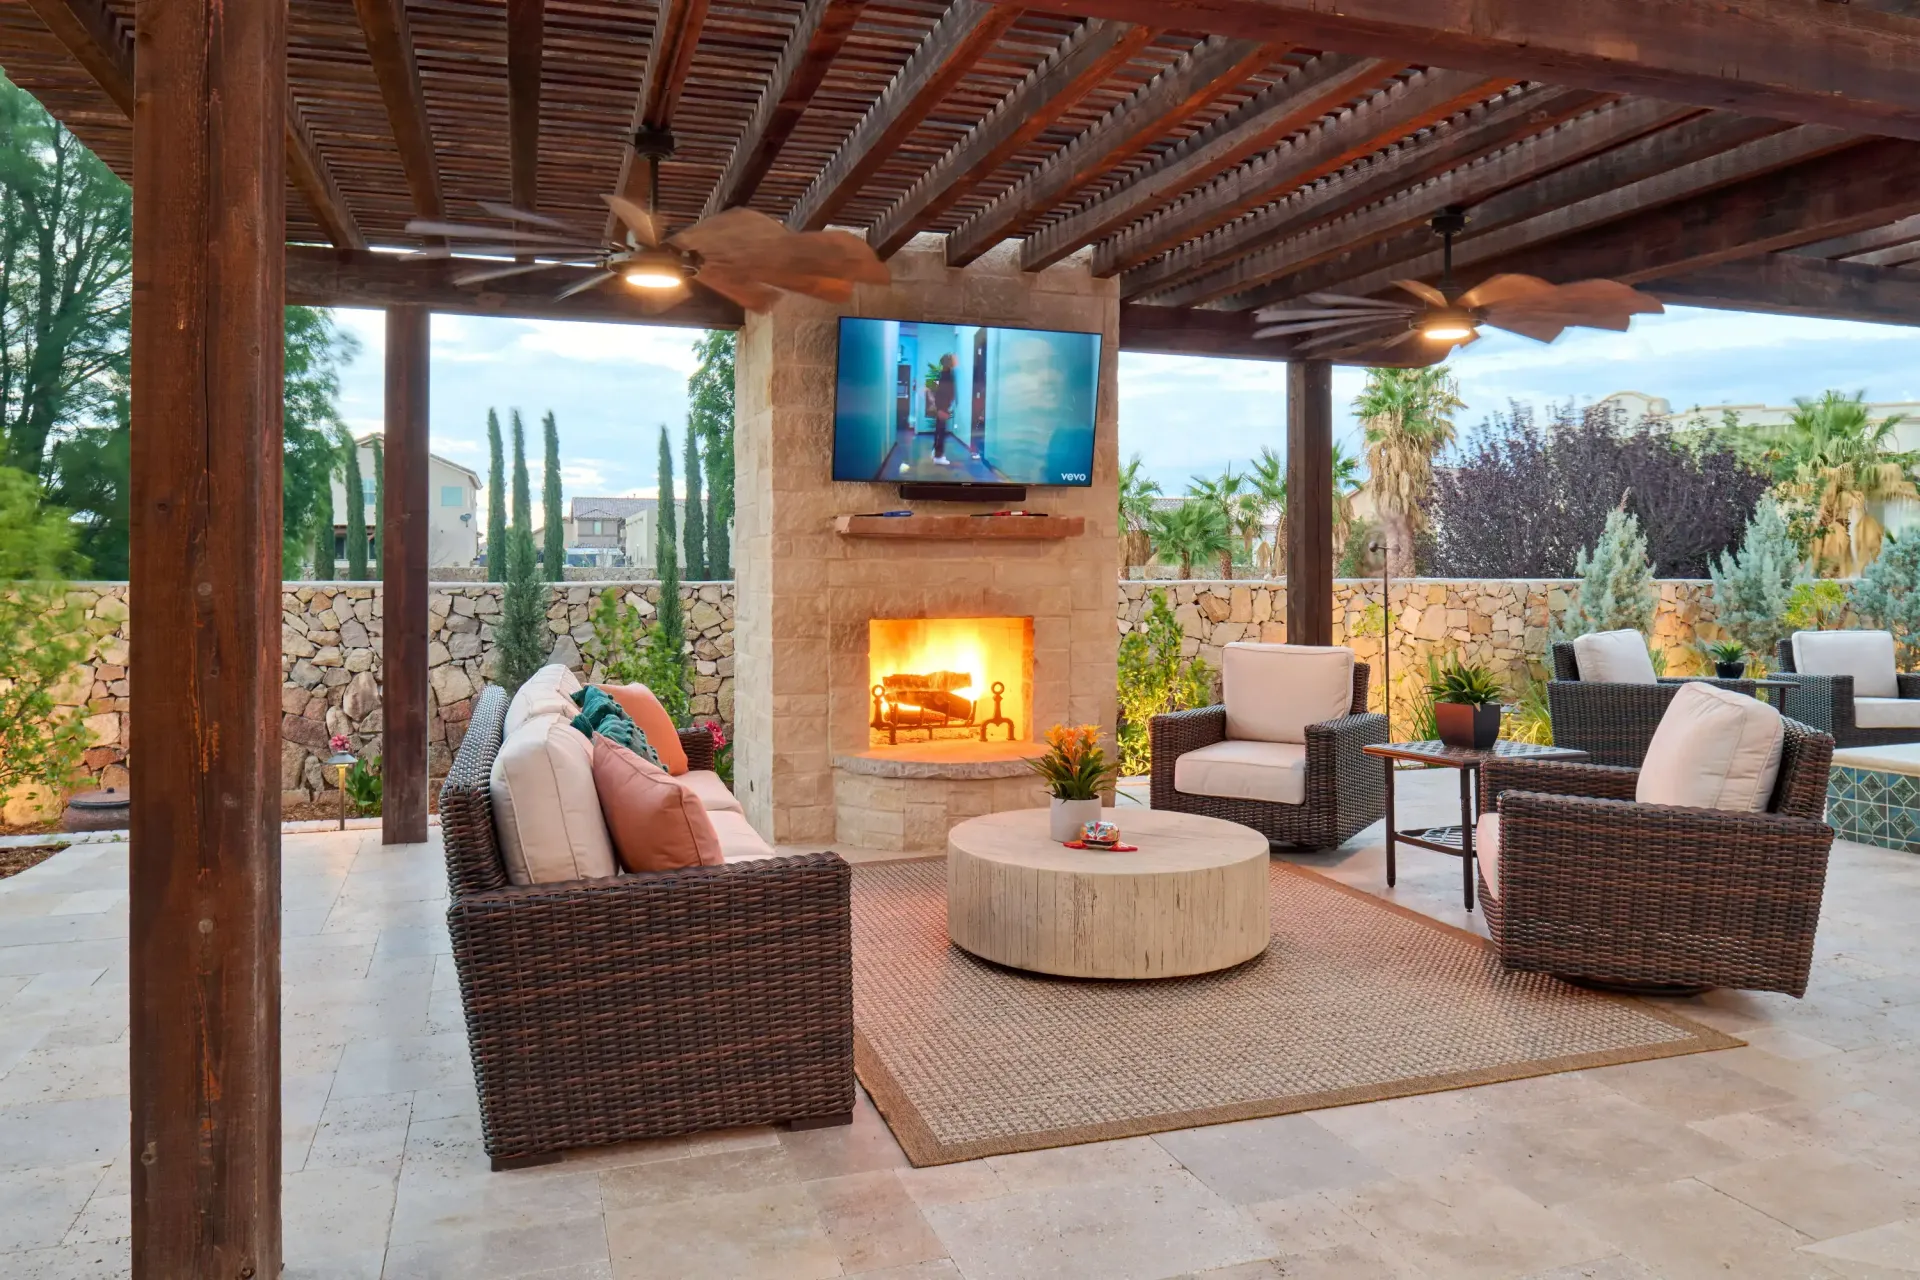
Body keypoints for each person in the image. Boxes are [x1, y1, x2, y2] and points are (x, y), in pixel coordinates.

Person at [931, 353, 958, 466]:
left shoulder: (944, 374)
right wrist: (943, 409)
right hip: (943, 407)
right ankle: (938, 456)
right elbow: (943, 392)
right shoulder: (947, 375)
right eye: (953, 359)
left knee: (939, 430)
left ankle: (935, 452)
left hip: (942, 406)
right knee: (941, 431)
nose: (956, 360)